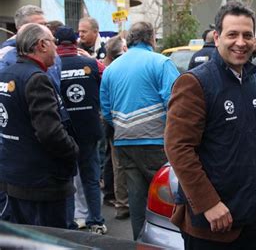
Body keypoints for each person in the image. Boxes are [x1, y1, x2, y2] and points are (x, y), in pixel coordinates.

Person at [165, 0, 256, 249]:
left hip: (254, 216)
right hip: (213, 224)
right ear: (217, 37)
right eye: (232, 34)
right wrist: (208, 204)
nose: (241, 42)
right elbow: (179, 149)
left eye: (247, 35)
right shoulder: (195, 83)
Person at [100, 21, 179, 240]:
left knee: (136, 199)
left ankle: (139, 242)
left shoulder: (111, 68)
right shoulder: (161, 63)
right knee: (168, 198)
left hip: (124, 141)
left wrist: (124, 126)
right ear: (152, 38)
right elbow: (175, 104)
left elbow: (105, 110)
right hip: (156, 142)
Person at [0, 23, 78, 228]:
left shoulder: (7, 74)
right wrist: (72, 151)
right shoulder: (36, 79)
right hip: (41, 182)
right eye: (54, 42)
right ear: (42, 45)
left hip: (15, 176)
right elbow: (50, 132)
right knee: (50, 239)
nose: (57, 48)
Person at [55, 26, 107, 234]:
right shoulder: (91, 63)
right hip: (89, 130)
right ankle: (96, 221)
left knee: (67, 179)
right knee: (91, 178)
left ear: (56, 43)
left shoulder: (51, 66)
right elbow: (107, 78)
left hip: (63, 132)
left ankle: (69, 225)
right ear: (75, 42)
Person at [0, 5, 62, 90]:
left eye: (46, 25)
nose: (45, 29)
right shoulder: (5, 55)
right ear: (21, 29)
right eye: (38, 26)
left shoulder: (51, 50)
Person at [102, 35, 130, 220]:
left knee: (118, 166)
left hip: (115, 126)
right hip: (133, 126)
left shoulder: (108, 70)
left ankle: (122, 205)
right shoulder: (125, 68)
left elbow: (104, 104)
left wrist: (113, 123)